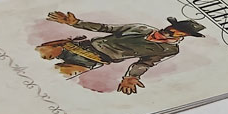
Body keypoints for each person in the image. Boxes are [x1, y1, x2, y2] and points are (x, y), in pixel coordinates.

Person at [36, 11, 206, 95]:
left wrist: (131, 77)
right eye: (169, 29)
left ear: (184, 36)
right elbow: (106, 28)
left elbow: (145, 63)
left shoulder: (169, 50)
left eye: (175, 33)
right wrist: (77, 23)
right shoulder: (141, 28)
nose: (168, 32)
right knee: (34, 56)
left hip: (92, 60)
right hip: (76, 46)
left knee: (53, 77)